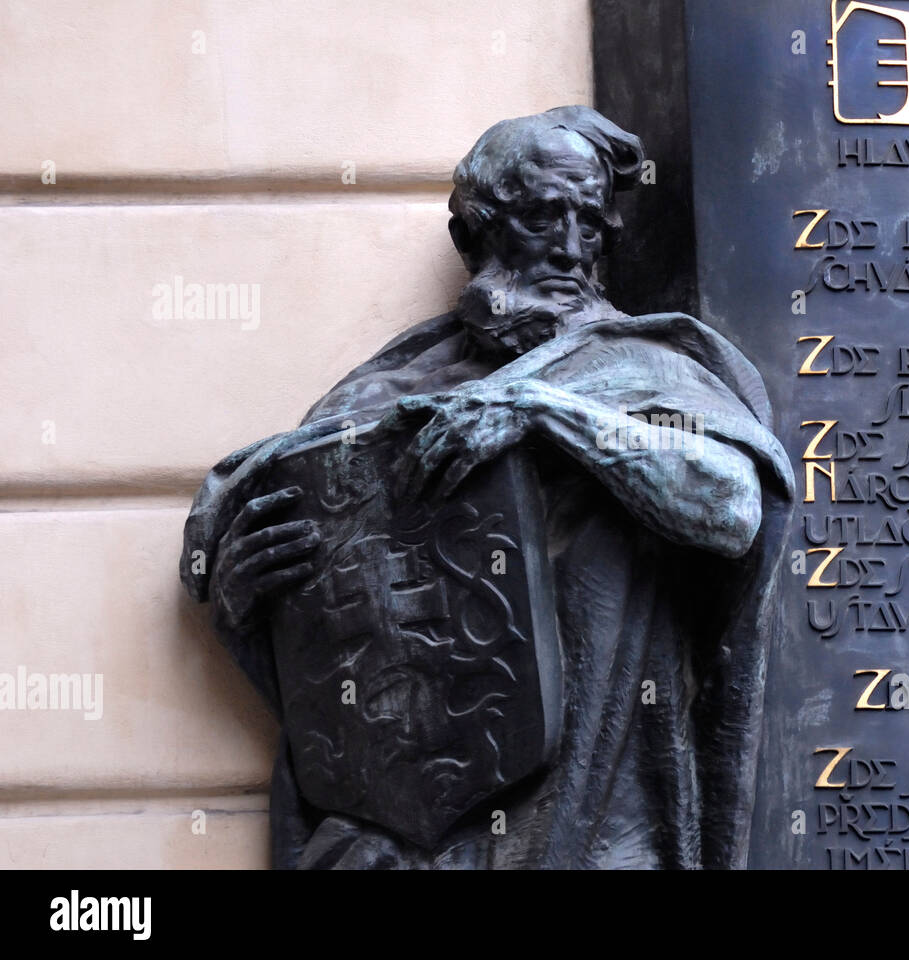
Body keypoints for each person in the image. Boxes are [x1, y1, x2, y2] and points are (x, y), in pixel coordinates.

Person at [181, 106, 793, 868]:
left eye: (591, 224)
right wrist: (244, 602)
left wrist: (542, 414)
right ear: (474, 233)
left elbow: (730, 509)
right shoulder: (385, 395)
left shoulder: (645, 369)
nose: (572, 250)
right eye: (542, 218)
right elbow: (330, 628)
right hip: (412, 836)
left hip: (596, 811)